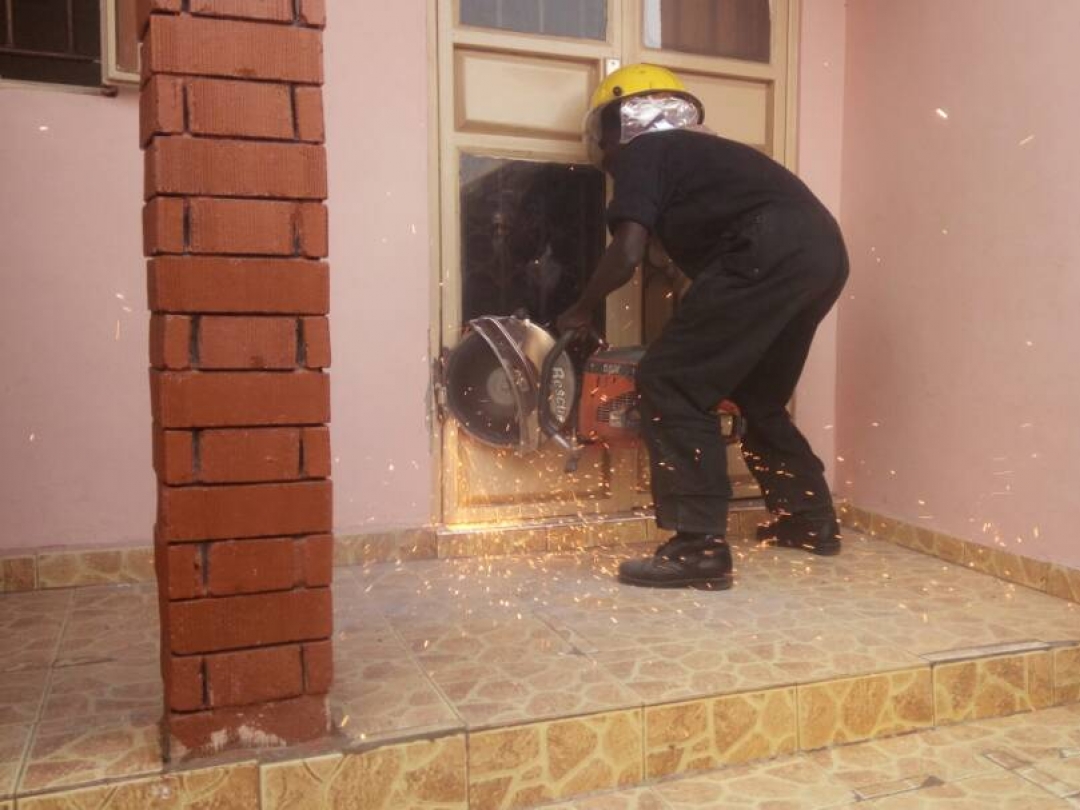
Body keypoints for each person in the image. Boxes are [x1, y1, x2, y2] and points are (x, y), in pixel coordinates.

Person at [557, 64, 849, 590]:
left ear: (616, 125)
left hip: (766, 248)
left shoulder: (644, 152)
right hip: (823, 252)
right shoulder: (705, 156)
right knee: (757, 396)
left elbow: (627, 251)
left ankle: (698, 548)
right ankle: (809, 519)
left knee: (669, 381)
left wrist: (581, 309)